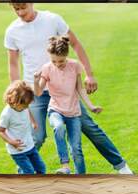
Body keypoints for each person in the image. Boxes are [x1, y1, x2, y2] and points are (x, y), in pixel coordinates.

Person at [4, 3, 133, 174]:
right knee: (36, 136)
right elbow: (13, 64)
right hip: (35, 91)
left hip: (64, 90)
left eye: (23, 8)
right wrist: (16, 89)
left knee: (89, 127)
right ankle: (22, 176)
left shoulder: (52, 19)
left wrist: (89, 74)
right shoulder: (12, 31)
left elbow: (76, 45)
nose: (20, 12)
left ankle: (122, 167)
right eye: (16, 9)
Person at [34, 35, 102, 174]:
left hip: (73, 112)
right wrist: (36, 81)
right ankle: (65, 166)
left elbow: (80, 88)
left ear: (67, 56)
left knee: (76, 149)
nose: (58, 64)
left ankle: (81, 178)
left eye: (61, 61)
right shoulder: (47, 68)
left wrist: (91, 106)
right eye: (54, 61)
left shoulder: (75, 66)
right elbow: (39, 92)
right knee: (58, 127)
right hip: (55, 109)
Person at [0, 80, 46, 174]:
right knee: (29, 172)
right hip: (18, 151)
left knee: (41, 168)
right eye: (24, 105)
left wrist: (33, 122)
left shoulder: (23, 106)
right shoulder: (7, 114)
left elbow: (27, 110)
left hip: (30, 145)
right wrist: (12, 142)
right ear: (14, 100)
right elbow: (1, 132)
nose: (26, 107)